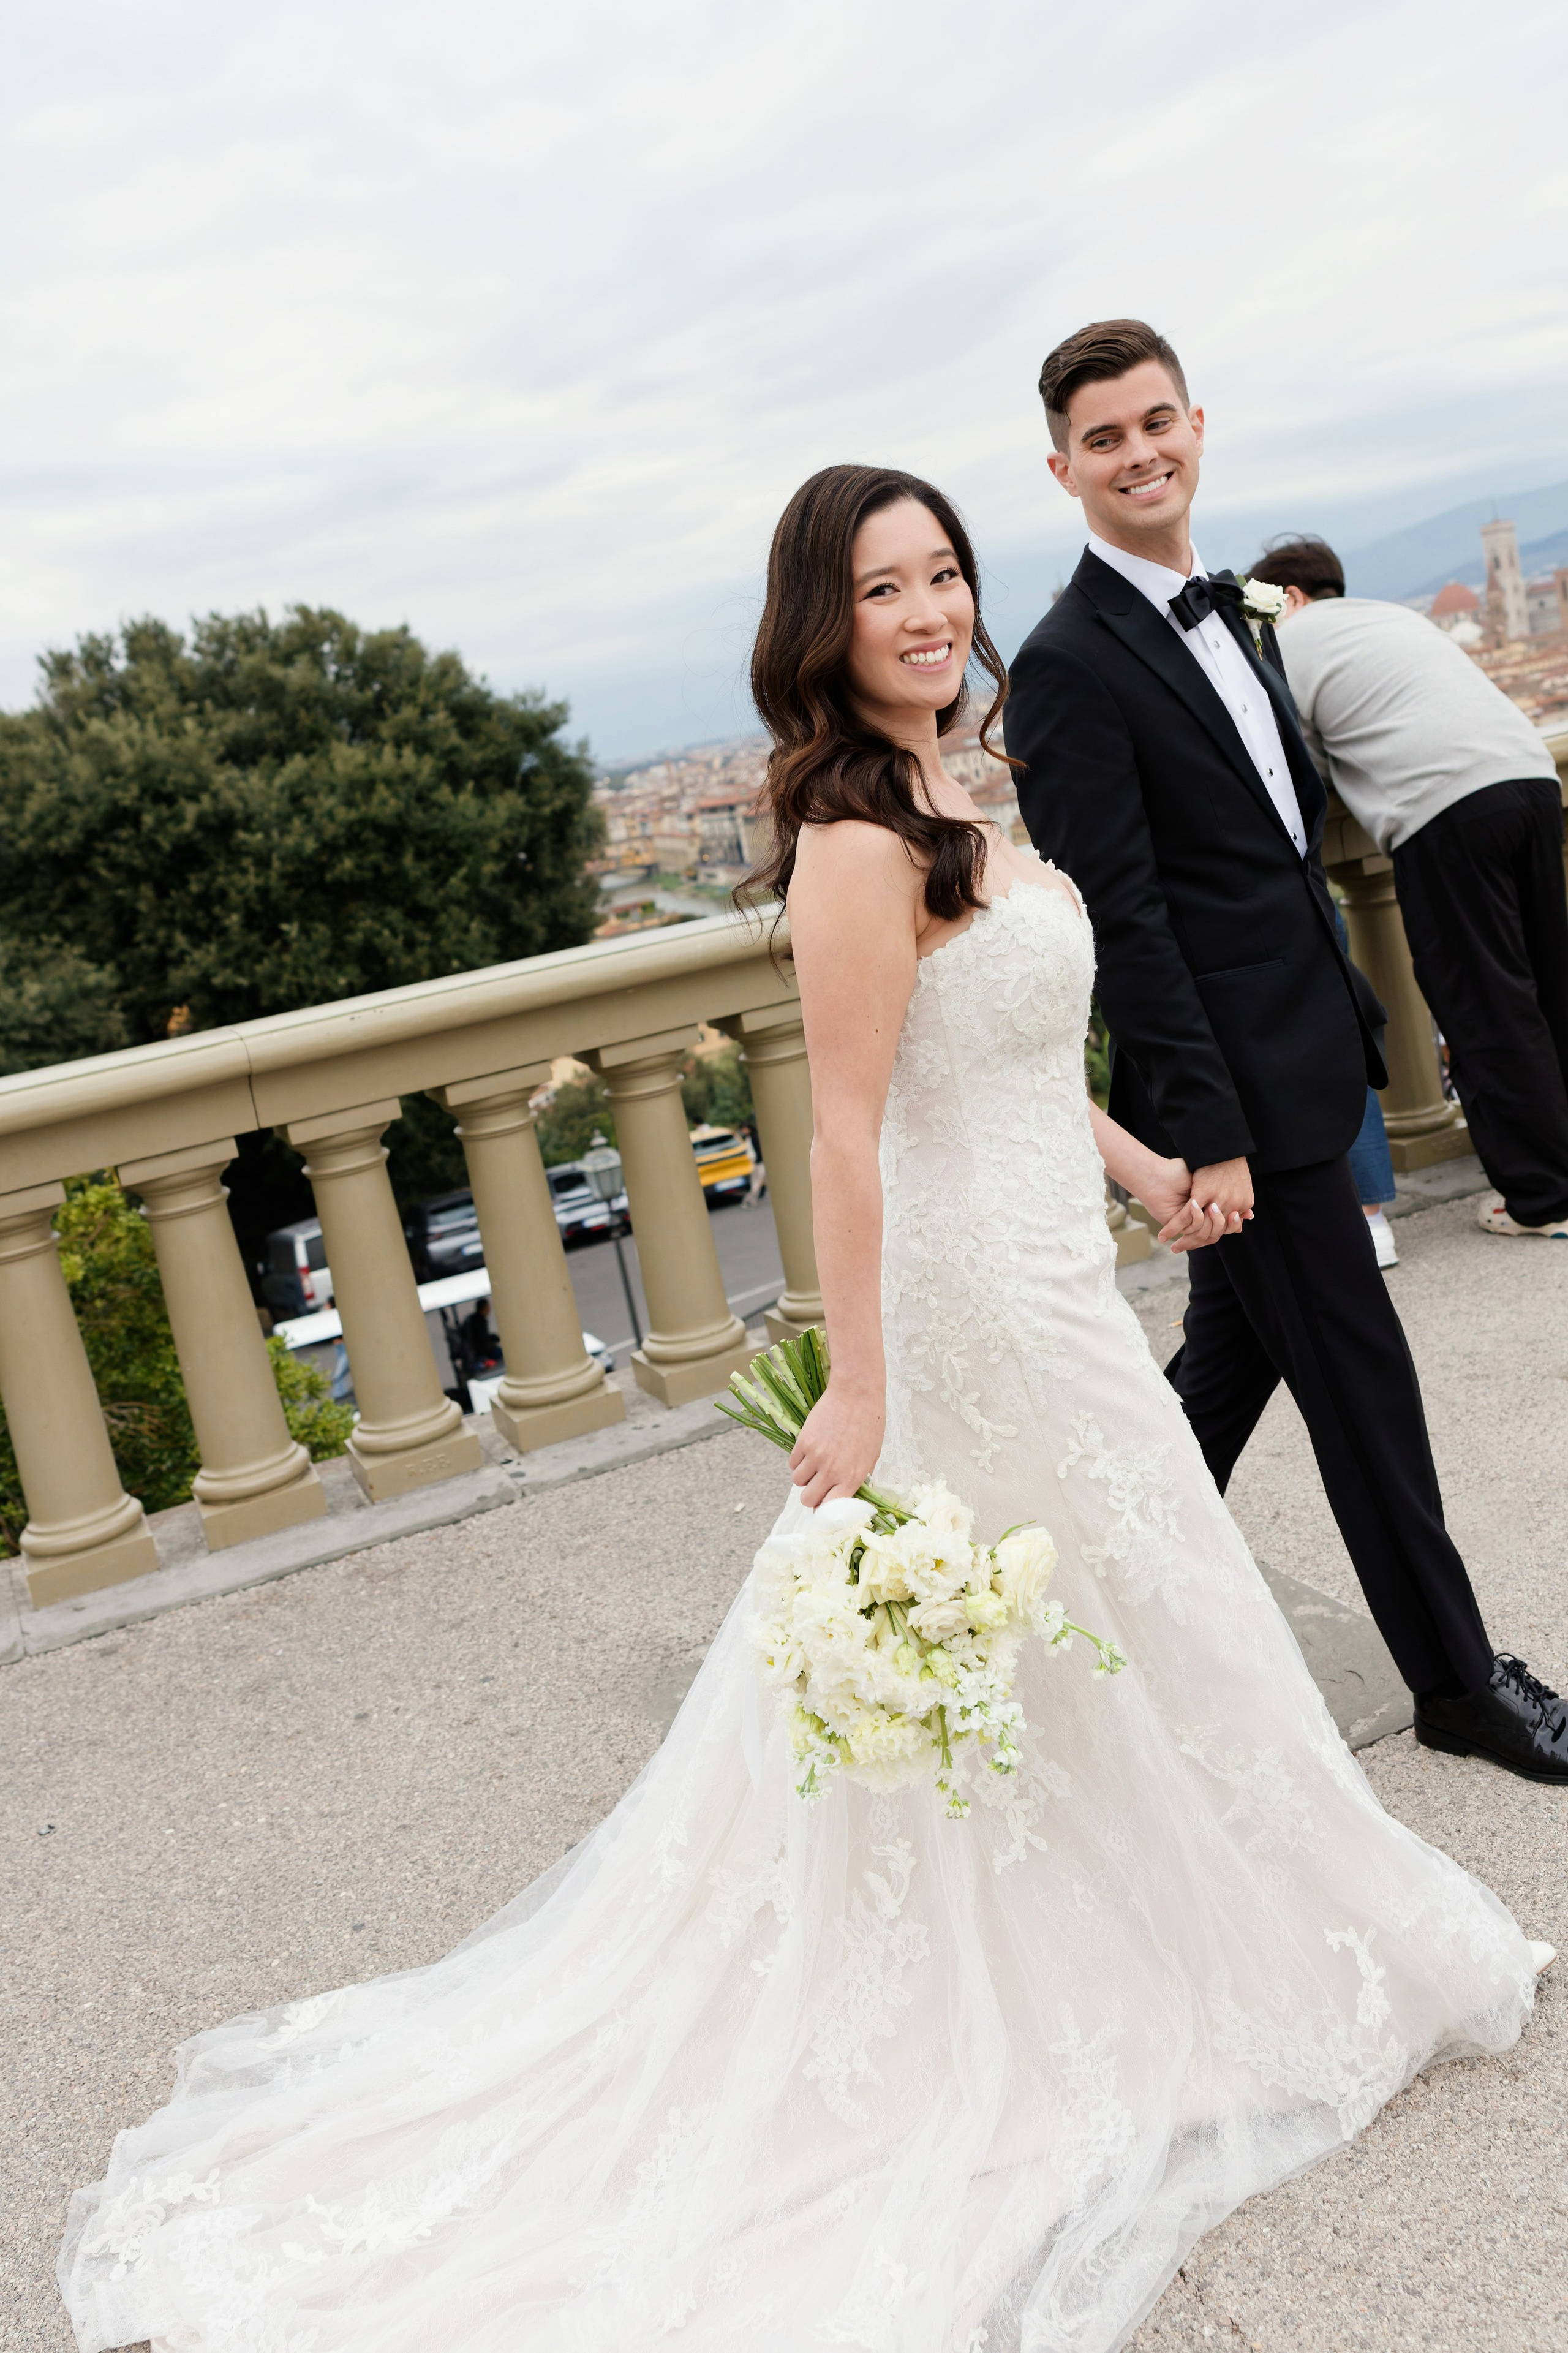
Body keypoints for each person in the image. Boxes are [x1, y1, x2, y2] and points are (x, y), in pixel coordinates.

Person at [59, 465, 1552, 2353]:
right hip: (961, 1310)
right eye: (884, 586)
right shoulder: (852, 837)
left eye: (942, 574)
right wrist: (859, 1375)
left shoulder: (955, 789)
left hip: (1067, 1282)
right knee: (1099, 1606)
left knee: (1132, 1616)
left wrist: (1144, 1165)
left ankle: (1230, 1936)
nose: (929, 610)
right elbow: (843, 1128)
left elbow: (997, 1059)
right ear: (820, 624)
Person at [1004, 316, 1568, 1780]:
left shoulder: (1237, 611)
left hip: (1302, 1053)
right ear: (1059, 466)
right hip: (1236, 1102)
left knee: (1221, 1374)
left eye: (1154, 422)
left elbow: (1268, 852)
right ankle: (1456, 1680)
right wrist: (1210, 1132)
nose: (1137, 452)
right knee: (1361, 1393)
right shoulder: (1067, 663)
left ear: (1196, 423)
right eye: (1104, 436)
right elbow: (1122, 923)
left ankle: (1066, 1628)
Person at [1248, 532, 1568, 1243]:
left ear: (1288, 598)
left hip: (1444, 811)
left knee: (1485, 1003)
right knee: (1550, 985)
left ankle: (1541, 1198)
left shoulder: (1285, 644)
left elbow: (1296, 771)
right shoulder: (1394, 617)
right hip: (1531, 783)